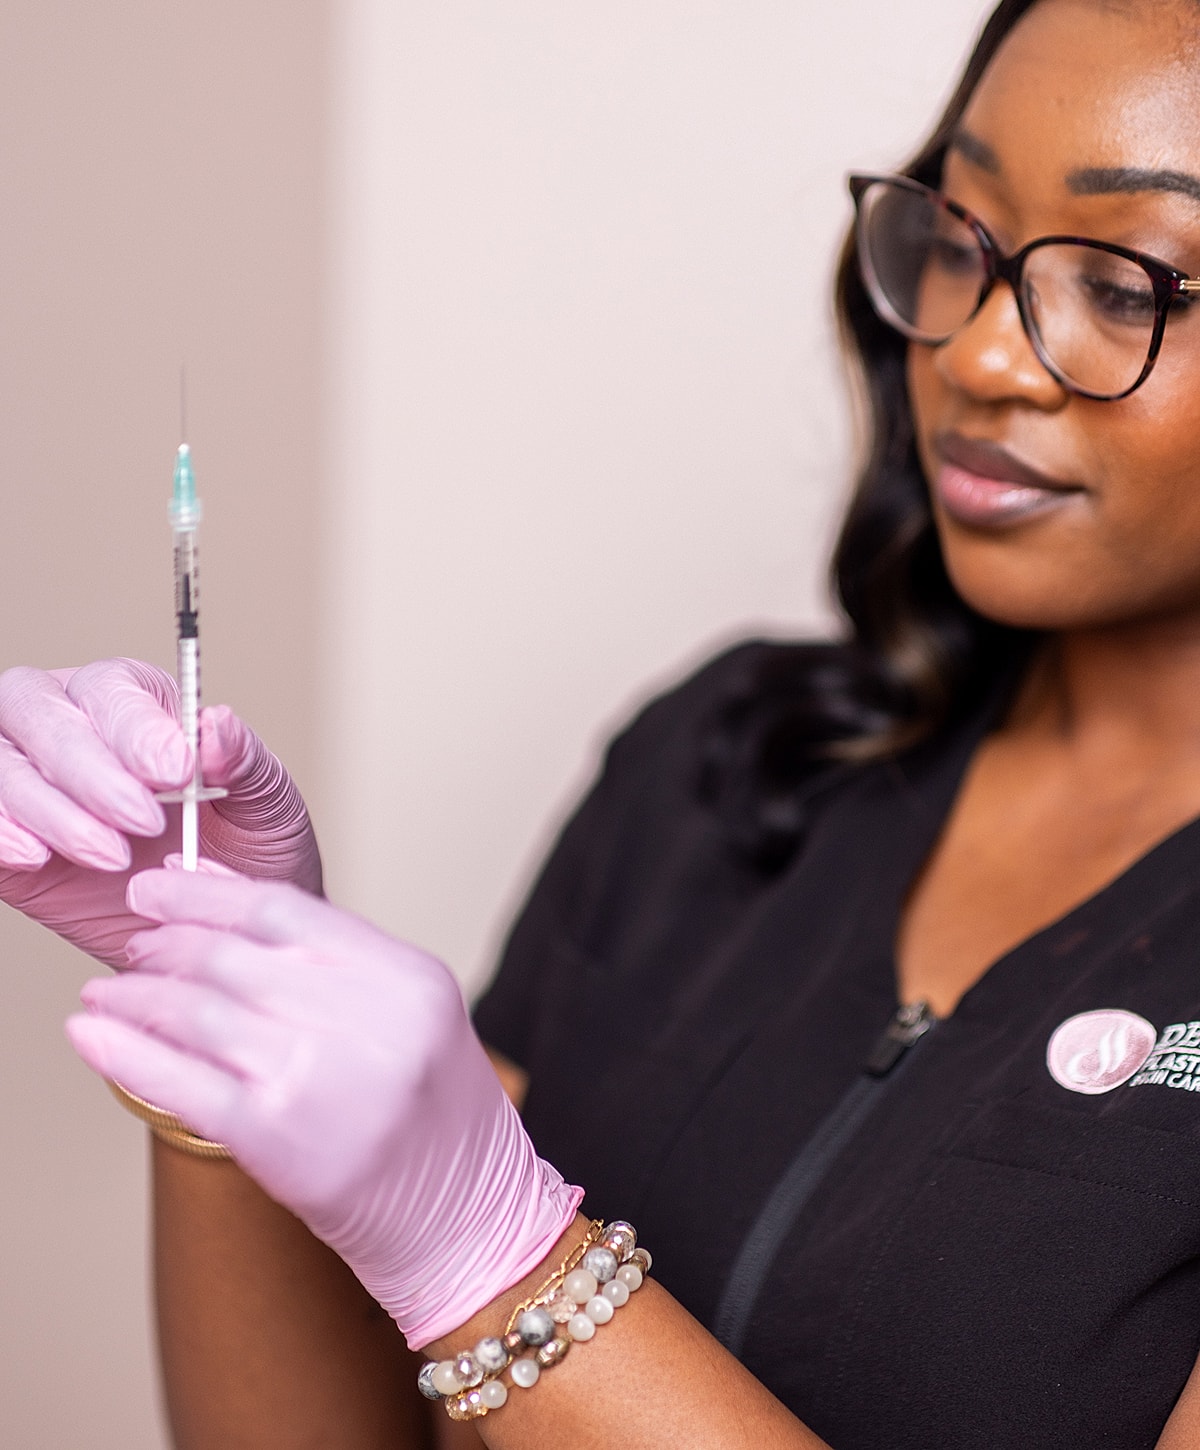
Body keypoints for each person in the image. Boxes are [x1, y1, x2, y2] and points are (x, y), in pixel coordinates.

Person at [4, 0, 1200, 1443]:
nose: (982, 357)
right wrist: (221, 1028)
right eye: (960, 234)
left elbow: (485, 1288)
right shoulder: (730, 758)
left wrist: (503, 1259)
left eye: (1130, 287)